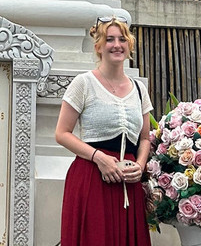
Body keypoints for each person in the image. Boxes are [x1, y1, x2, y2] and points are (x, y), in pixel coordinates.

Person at [55, 16, 152, 246]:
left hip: (128, 182)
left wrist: (140, 165)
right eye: (109, 39)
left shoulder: (139, 89)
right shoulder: (83, 83)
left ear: (129, 45)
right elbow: (62, 133)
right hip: (92, 177)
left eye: (122, 39)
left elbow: (145, 138)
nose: (117, 45)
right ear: (98, 46)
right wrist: (99, 158)